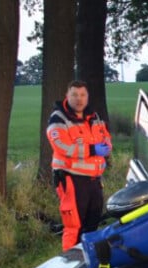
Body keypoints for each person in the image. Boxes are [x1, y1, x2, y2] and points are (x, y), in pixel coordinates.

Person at [47, 80, 113, 251]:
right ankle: (72, 264)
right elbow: (62, 146)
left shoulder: (94, 116)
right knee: (74, 226)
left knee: (92, 223)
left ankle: (89, 259)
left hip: (94, 180)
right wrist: (93, 149)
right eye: (74, 95)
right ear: (67, 96)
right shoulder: (58, 118)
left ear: (87, 97)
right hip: (71, 179)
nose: (79, 99)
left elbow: (105, 135)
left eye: (83, 95)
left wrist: (107, 146)